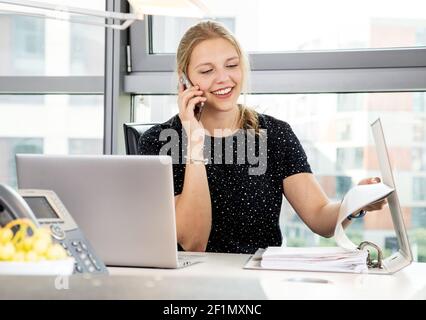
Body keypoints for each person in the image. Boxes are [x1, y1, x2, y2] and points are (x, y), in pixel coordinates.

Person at [139, 20, 386, 254]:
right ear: (185, 79)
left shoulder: (275, 135)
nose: (223, 78)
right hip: (188, 285)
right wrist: (193, 137)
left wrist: (355, 204)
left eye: (232, 65)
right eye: (207, 70)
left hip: (259, 283)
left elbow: (321, 219)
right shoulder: (159, 141)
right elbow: (193, 242)